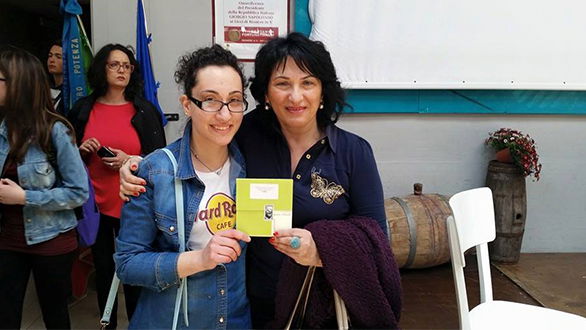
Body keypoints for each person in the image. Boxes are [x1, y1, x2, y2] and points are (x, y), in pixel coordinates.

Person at [120, 33, 402, 328]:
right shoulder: (245, 134)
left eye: (308, 82)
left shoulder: (353, 152)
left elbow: (376, 242)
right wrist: (136, 165)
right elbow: (198, 143)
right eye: (282, 84)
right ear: (266, 94)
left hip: (322, 309)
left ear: (322, 91)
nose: (296, 96)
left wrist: (322, 251)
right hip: (253, 311)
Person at [114, 45, 252, 329]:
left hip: (234, 319)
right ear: (187, 104)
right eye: (210, 100)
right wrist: (200, 259)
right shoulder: (156, 171)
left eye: (234, 100)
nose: (225, 115)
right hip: (172, 320)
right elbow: (127, 264)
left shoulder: (252, 164)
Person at [67, 43, 166, 329]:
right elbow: (64, 157)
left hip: (134, 202)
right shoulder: (83, 109)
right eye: (114, 65)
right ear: (101, 68)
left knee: (133, 271)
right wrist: (82, 152)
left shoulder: (144, 110)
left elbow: (159, 159)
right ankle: (107, 323)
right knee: (104, 269)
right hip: (94, 204)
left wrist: (130, 159)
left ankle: (136, 323)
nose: (122, 70)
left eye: (127, 65)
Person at [0, 46, 88, 329]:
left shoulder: (55, 131)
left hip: (51, 240)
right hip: (7, 239)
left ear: (19, 85)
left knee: (54, 315)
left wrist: (24, 197)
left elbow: (78, 192)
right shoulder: (2, 128)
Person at [47, 40, 64, 115]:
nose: (52, 60)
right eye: (50, 56)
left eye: (58, 57)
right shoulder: (43, 88)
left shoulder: (72, 93)